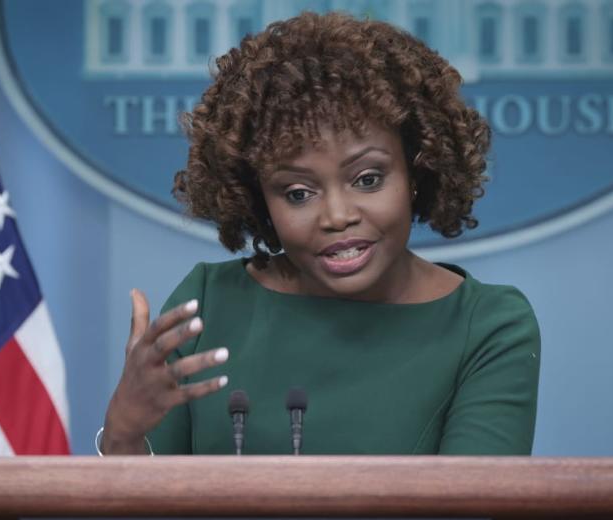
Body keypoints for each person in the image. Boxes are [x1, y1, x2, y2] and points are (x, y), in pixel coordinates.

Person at [98, 11, 540, 456]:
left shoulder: (488, 326)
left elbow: (472, 519)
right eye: (297, 192)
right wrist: (123, 429)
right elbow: (134, 519)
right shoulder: (207, 304)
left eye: (367, 179)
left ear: (417, 170)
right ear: (258, 200)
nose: (336, 215)